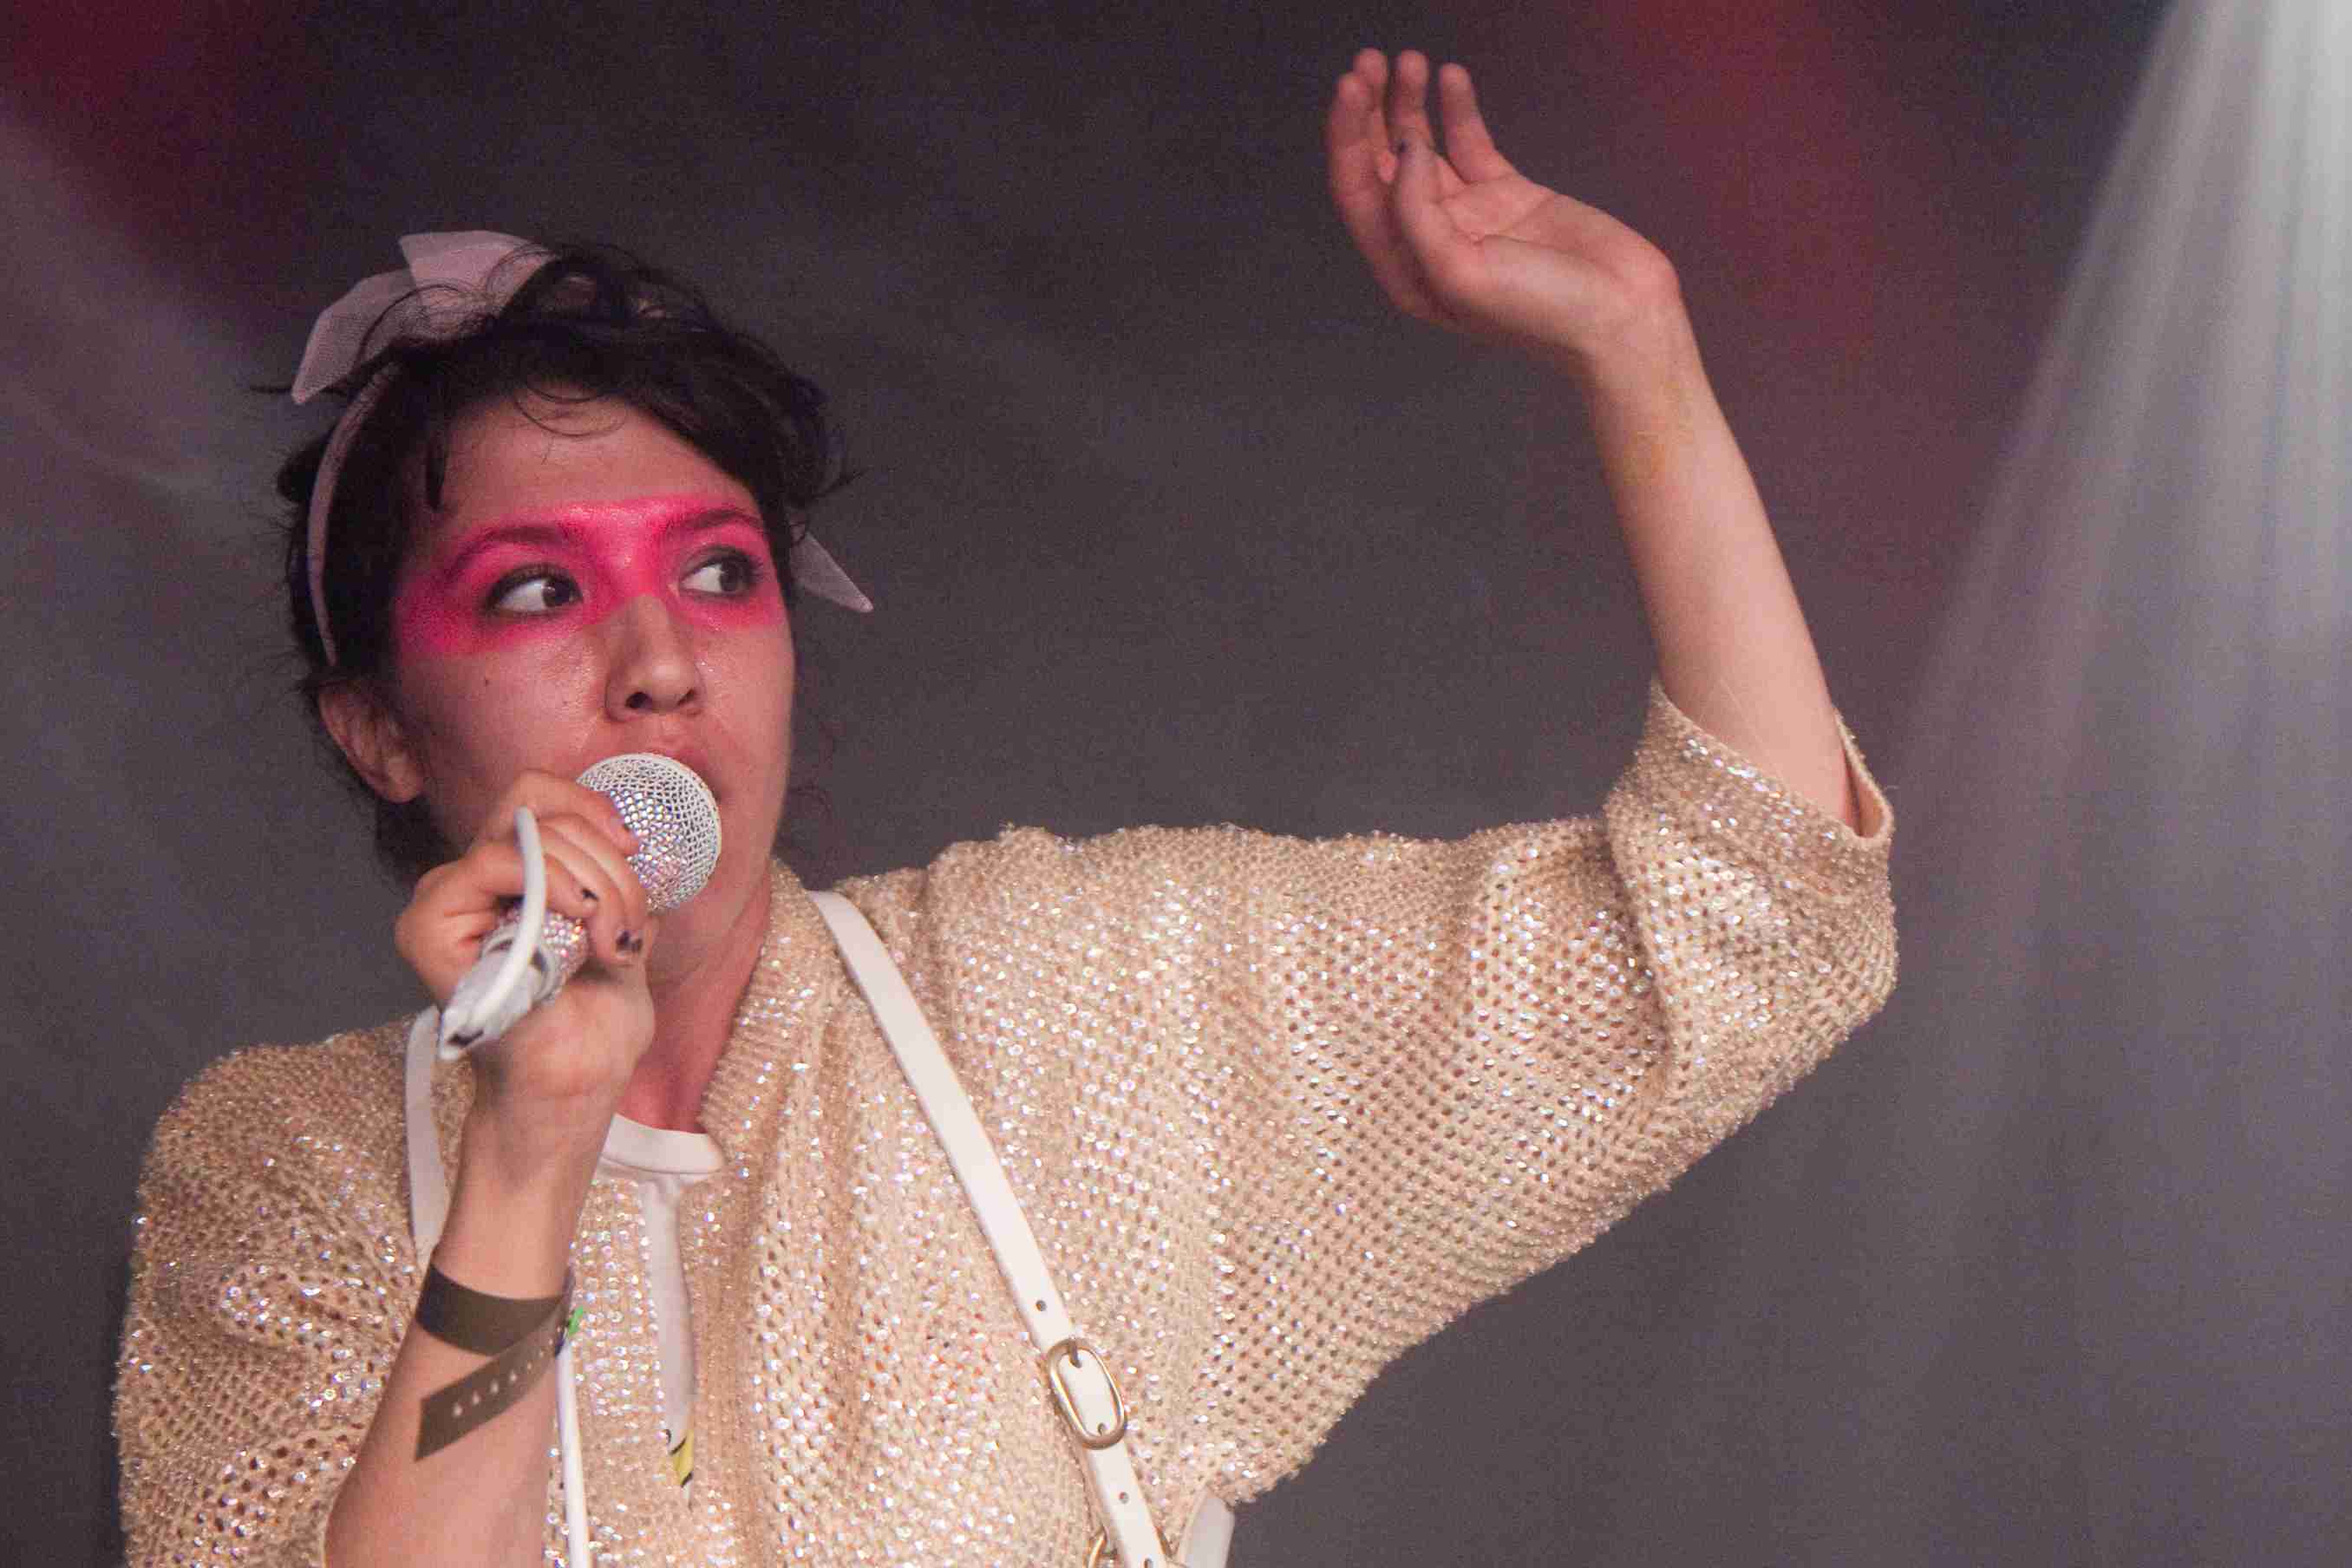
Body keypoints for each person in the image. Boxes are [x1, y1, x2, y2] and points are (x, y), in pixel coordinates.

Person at [114, 49, 1895, 1568]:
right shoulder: (284, 1168)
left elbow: (1745, 923)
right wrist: (528, 1149)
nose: (658, 664)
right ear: (378, 730)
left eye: (720, 573)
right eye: (534, 592)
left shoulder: (1061, 1003)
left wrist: (1639, 353)